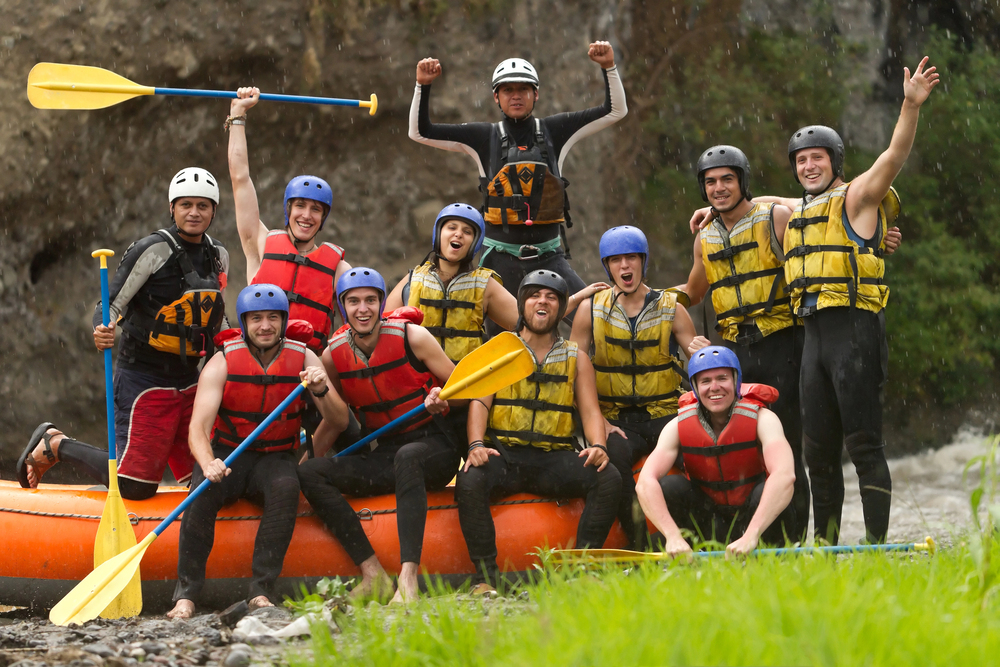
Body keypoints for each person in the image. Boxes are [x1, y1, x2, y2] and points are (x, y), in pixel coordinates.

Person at [688, 59, 938, 544]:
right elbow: (750, 202)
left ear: (834, 162)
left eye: (817, 158)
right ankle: (823, 548)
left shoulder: (857, 198)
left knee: (863, 444)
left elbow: (893, 156)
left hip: (855, 332)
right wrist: (710, 206)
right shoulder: (793, 209)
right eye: (801, 161)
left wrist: (909, 105)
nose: (808, 166)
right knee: (817, 453)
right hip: (813, 341)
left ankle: (877, 544)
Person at [17, 168, 229, 500]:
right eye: (185, 204)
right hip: (143, 379)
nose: (194, 212)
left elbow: (217, 320)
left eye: (203, 205)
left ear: (214, 210)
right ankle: (55, 444)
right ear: (171, 208)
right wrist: (104, 328)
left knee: (207, 484)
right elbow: (110, 304)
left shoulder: (218, 256)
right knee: (134, 487)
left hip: (192, 383)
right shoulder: (151, 250)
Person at [408, 43, 627, 323]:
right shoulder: (482, 137)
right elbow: (420, 132)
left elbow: (615, 111)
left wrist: (608, 66)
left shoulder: (554, 131)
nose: (516, 96)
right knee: (498, 347)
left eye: (523, 89)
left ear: (535, 94)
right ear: (496, 98)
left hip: (550, 258)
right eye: (507, 90)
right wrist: (422, 86)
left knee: (598, 324)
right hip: (498, 261)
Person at [167, 285, 345, 619]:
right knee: (201, 495)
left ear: (283, 321)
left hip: (275, 457)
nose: (265, 326)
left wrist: (321, 389)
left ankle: (261, 590)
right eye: (257, 319)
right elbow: (197, 429)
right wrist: (207, 463)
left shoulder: (305, 358)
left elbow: (339, 419)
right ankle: (186, 595)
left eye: (273, 318)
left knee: (286, 487)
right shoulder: (222, 361)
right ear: (245, 322)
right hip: (228, 454)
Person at [297, 267, 461, 604]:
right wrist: (297, 471)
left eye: (371, 300)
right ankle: (373, 574)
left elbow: (465, 389)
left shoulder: (413, 337)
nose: (363, 308)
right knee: (310, 473)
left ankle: (408, 577)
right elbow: (336, 420)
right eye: (354, 301)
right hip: (385, 453)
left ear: (381, 303)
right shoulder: (333, 355)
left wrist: (441, 397)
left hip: (435, 448)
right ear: (343, 307)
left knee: (410, 455)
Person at [456, 270, 622, 591]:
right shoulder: (502, 349)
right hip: (505, 456)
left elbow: (590, 411)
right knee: (470, 479)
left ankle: (581, 568)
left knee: (608, 477)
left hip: (553, 459)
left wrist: (598, 446)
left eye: (551, 297)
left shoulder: (577, 358)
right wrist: (476, 444)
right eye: (534, 295)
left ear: (561, 309)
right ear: (523, 305)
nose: (541, 301)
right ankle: (486, 580)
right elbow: (481, 403)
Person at [680, 145, 811, 539]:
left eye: (727, 179)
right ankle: (751, 536)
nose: (719, 188)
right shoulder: (705, 237)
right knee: (743, 445)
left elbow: (823, 233)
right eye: (711, 182)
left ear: (742, 182)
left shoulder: (776, 218)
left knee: (786, 445)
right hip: (735, 353)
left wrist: (878, 238)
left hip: (784, 344)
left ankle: (794, 540)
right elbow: (693, 292)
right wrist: (634, 296)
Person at [227, 86, 354, 455]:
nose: (306, 215)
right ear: (288, 210)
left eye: (316, 210)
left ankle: (309, 468)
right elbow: (240, 179)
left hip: (307, 374)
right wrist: (238, 116)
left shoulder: (338, 267)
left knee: (356, 437)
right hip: (257, 368)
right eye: (299, 206)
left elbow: (367, 312)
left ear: (323, 218)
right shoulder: (263, 244)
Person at [570, 225, 703, 549]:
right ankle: (641, 546)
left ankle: (705, 540)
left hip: (665, 415)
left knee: (702, 463)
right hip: (616, 422)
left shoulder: (671, 307)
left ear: (643, 262)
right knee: (613, 472)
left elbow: (697, 357)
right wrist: (596, 422)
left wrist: (698, 350)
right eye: (616, 260)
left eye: (631, 258)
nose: (625, 267)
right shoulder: (589, 310)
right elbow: (570, 371)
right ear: (607, 266)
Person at [384, 202, 609, 362]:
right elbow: (383, 332)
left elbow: (530, 322)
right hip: (418, 385)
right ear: (438, 234)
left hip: (463, 386)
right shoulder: (413, 279)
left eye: (467, 231)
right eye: (451, 228)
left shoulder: (484, 285)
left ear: (475, 243)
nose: (458, 235)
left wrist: (577, 297)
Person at [636, 347, 796, 557]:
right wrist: (672, 535)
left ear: (736, 381)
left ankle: (769, 554)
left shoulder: (764, 419)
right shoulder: (677, 426)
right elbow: (645, 483)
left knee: (765, 490)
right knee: (671, 486)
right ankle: (688, 550)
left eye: (722, 378)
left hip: (756, 519)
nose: (714, 387)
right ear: (694, 387)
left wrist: (751, 535)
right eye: (705, 381)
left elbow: (785, 476)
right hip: (711, 521)